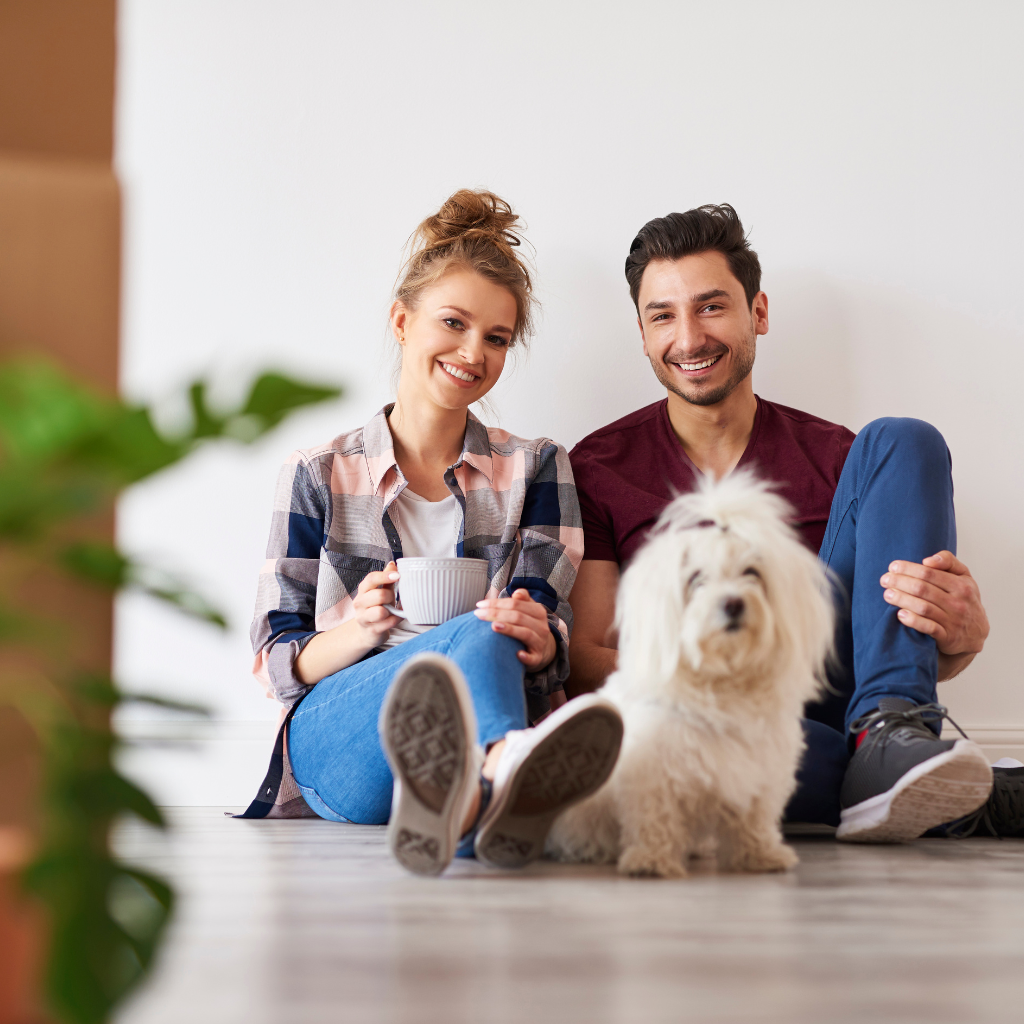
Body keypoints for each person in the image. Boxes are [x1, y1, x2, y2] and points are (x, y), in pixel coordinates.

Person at [565, 204, 1018, 842]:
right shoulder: (599, 465)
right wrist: (710, 669)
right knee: (779, 758)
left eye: (712, 306)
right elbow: (586, 661)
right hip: (699, 714)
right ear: (641, 333)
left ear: (759, 313)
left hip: (830, 695)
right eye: (662, 315)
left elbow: (890, 641)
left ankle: (893, 731)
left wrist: (960, 642)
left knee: (902, 439)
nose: (689, 338)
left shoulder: (842, 459)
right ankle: (941, 791)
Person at [241, 190, 623, 876]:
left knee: (493, 631)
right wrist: (359, 630)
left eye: (497, 338)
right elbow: (277, 661)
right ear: (402, 321)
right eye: (454, 322)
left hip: (485, 707)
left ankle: (470, 801)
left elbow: (549, 630)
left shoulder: (538, 467)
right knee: (479, 632)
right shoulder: (316, 475)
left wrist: (542, 639)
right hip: (344, 738)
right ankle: (507, 770)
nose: (473, 352)